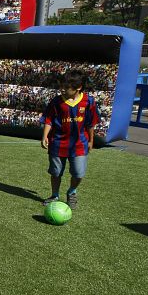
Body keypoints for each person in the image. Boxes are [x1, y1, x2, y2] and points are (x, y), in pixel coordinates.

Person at [41, 69, 99, 210]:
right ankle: (55, 195)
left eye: (66, 87)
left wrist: (91, 140)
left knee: (79, 173)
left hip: (80, 144)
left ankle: (72, 192)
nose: (62, 89)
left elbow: (90, 123)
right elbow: (49, 119)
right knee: (56, 172)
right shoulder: (56, 101)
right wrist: (44, 136)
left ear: (78, 87)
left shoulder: (88, 102)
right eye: (62, 86)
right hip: (58, 143)